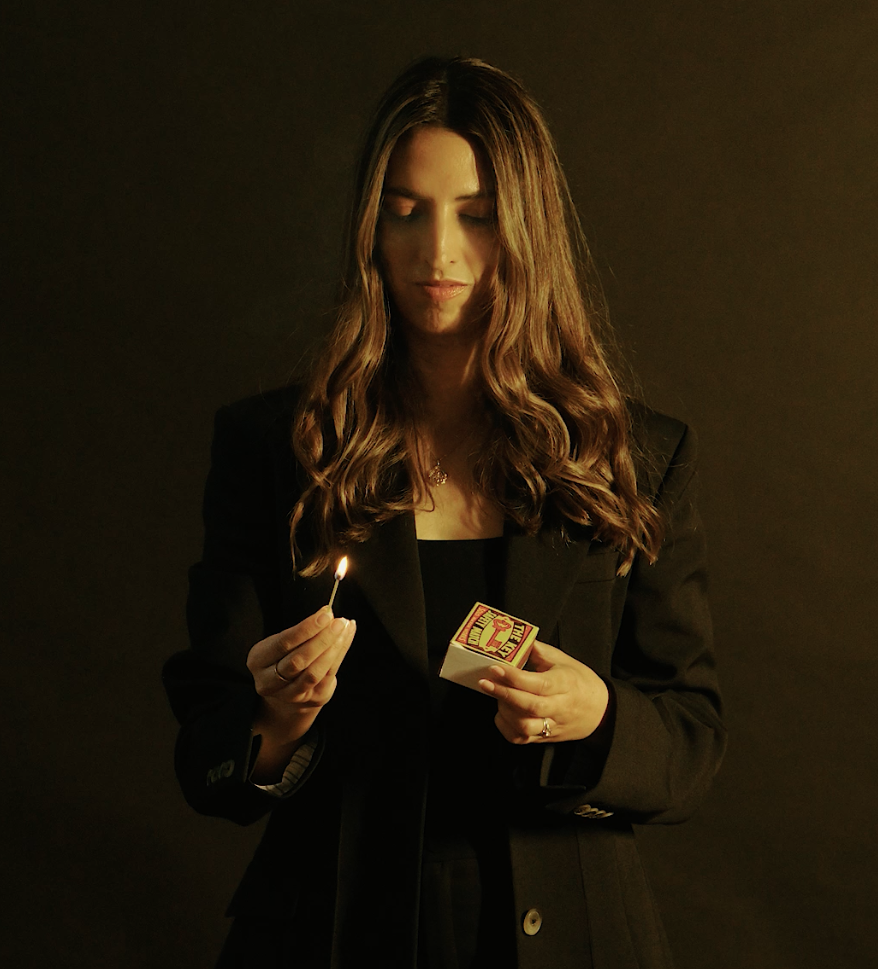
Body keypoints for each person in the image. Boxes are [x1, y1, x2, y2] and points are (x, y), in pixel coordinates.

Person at [163, 56, 726, 969]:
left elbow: (692, 740)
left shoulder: (635, 456)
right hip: (326, 934)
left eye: (477, 214)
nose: (437, 253)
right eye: (405, 210)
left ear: (528, 228)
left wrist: (597, 714)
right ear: (369, 226)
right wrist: (275, 719)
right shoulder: (277, 447)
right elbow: (207, 754)